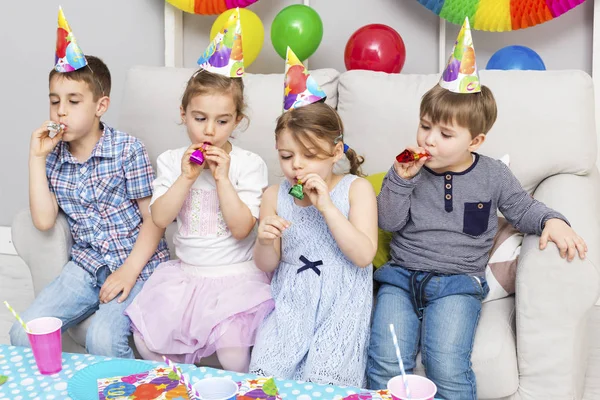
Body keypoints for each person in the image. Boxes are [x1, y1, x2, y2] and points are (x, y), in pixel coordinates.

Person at [367, 18, 587, 399]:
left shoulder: (493, 174)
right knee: (387, 359)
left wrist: (553, 219)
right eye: (424, 127)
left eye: (445, 134)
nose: (429, 140)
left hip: (457, 284)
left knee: (447, 363)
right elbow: (386, 221)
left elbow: (522, 208)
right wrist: (401, 180)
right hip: (400, 279)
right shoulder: (405, 169)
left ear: (476, 139)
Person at [10, 8, 168, 359]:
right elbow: (44, 221)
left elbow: (155, 219)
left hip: (139, 264)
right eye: (54, 102)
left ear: (100, 106)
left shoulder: (127, 149)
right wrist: (36, 157)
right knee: (24, 332)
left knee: (102, 337)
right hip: (86, 264)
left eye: (73, 101)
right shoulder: (53, 156)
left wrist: (129, 271)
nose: (60, 111)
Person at [125, 13, 273, 373]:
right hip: (185, 275)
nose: (210, 130)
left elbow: (242, 229)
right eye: (199, 118)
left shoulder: (248, 164)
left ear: (238, 121)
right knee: (147, 340)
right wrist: (186, 178)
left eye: (222, 121)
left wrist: (222, 179)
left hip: (235, 277)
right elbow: (159, 218)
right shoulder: (171, 161)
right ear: (183, 114)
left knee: (232, 350)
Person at [248, 47, 378, 387]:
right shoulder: (274, 196)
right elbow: (266, 264)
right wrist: (265, 239)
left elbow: (364, 256)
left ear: (336, 152)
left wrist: (327, 208)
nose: (297, 167)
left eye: (310, 156)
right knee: (267, 382)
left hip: (341, 308)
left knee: (324, 382)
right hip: (290, 307)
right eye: (287, 156)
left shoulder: (355, 190)